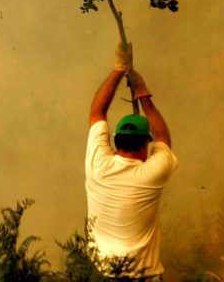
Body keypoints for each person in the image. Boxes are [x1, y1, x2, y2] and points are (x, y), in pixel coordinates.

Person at [85, 43, 178, 280]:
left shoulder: (98, 166)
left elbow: (97, 112)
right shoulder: (150, 175)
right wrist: (144, 96)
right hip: (143, 278)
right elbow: (164, 138)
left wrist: (119, 67)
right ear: (144, 145)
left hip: (102, 275)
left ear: (116, 141)